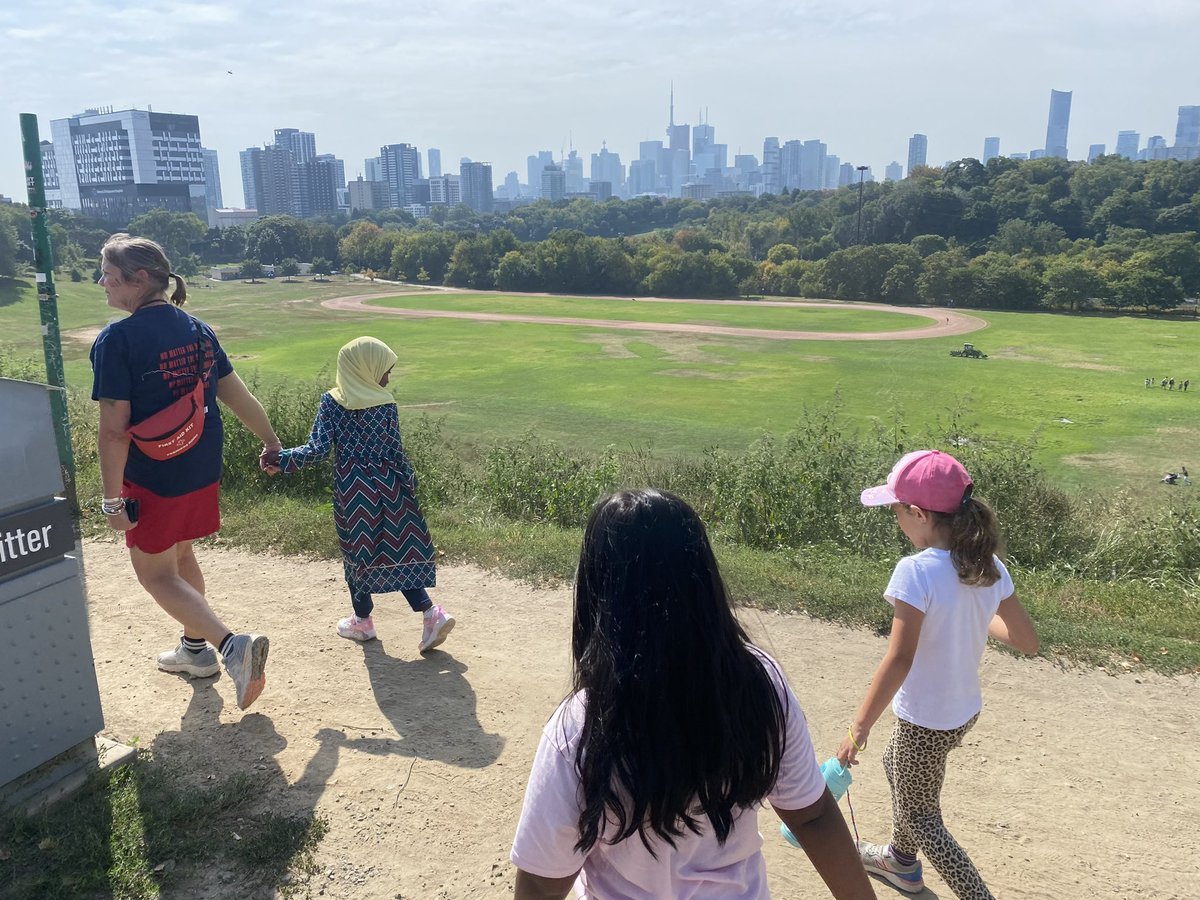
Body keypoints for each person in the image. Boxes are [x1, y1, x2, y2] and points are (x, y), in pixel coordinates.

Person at [511, 489, 875, 900]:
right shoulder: (757, 684)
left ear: (596, 594)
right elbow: (812, 816)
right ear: (704, 581)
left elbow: (543, 879)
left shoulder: (581, 727)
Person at [836, 450, 1039, 899]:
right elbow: (1027, 639)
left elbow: (899, 658)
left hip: (926, 719)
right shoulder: (987, 566)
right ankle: (899, 861)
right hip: (962, 711)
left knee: (922, 815)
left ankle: (971, 893)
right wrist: (970, 613)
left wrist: (858, 728)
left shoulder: (914, 571)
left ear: (918, 513)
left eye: (896, 512)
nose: (896, 522)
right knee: (901, 772)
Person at [91, 234, 280, 710]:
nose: (102, 284)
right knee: (180, 555)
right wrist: (271, 441)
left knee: (155, 574)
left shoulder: (116, 340)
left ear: (139, 280)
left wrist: (113, 502)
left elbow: (114, 433)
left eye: (109, 277)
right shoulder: (198, 329)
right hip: (200, 464)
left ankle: (231, 646)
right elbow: (237, 396)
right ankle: (195, 652)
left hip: (152, 475)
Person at [262, 337, 454, 652]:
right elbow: (397, 451)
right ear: (365, 368)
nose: (388, 377)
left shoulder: (333, 402)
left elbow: (317, 450)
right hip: (392, 486)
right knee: (399, 549)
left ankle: (362, 622)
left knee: (358, 554)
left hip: (355, 492)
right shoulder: (385, 403)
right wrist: (410, 485)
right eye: (385, 370)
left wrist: (279, 460)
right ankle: (431, 613)